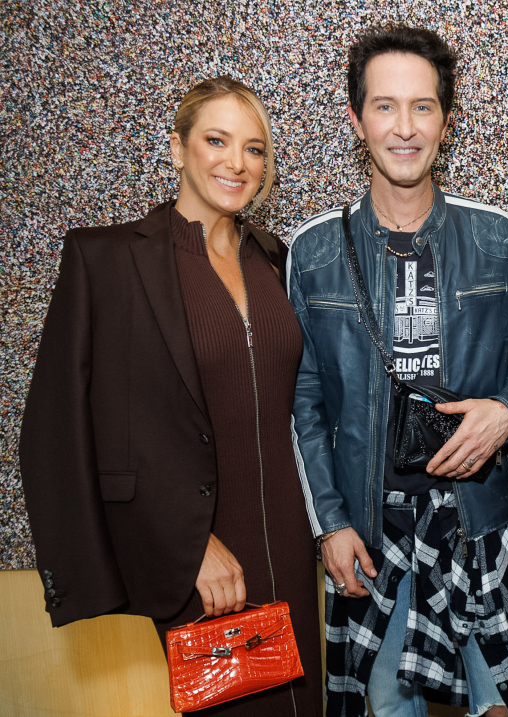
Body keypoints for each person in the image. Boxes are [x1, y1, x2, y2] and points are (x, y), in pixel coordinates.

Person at [19, 76, 322, 715]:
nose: (237, 163)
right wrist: (188, 547)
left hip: (291, 544)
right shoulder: (107, 259)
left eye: (255, 148)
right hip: (201, 560)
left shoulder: (274, 257)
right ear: (178, 147)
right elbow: (60, 428)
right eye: (217, 141)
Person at [287, 25, 508, 717]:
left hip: (476, 518)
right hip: (370, 530)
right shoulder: (314, 250)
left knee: (503, 703)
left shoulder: (495, 236)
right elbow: (304, 401)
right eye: (385, 106)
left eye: (422, 107)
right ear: (357, 120)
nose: (405, 127)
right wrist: (329, 524)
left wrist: (505, 414)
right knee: (388, 706)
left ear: (447, 121)